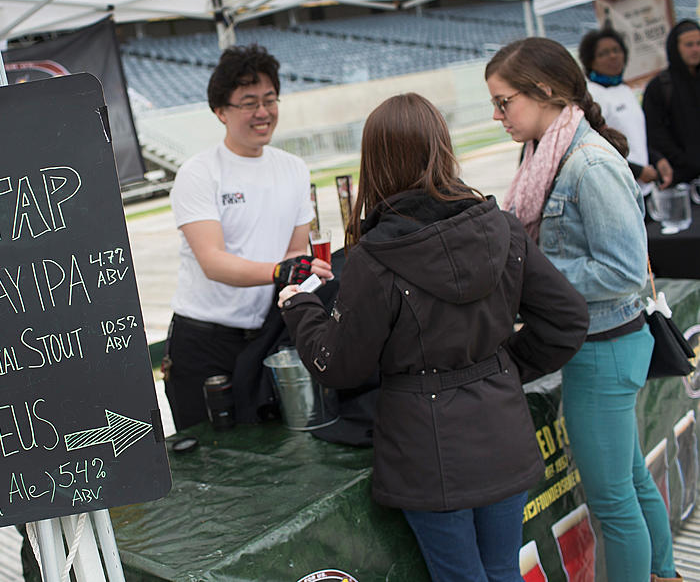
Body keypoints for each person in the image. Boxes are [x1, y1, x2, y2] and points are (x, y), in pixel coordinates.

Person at [277, 92, 588, 582]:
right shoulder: (499, 228)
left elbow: (338, 365)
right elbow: (567, 319)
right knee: (501, 571)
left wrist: (298, 306)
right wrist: (501, 368)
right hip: (497, 432)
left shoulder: (377, 258)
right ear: (442, 148)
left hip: (429, 449)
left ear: (374, 162)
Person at [485, 37, 680, 582]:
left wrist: (535, 280)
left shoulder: (588, 163)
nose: (498, 115)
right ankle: (665, 572)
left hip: (606, 348)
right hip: (597, 345)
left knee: (613, 502)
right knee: (631, 482)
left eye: (505, 102)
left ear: (544, 91)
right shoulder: (548, 154)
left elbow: (622, 271)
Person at [165, 43, 332, 431]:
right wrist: (282, 271)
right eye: (249, 102)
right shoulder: (199, 173)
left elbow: (294, 252)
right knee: (212, 462)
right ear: (220, 111)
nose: (263, 112)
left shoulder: (293, 169)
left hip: (269, 336)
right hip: (204, 343)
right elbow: (213, 261)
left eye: (270, 99)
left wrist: (299, 273)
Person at [579, 26, 673, 188]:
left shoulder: (624, 89)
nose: (613, 56)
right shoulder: (590, 94)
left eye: (617, 50)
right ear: (590, 61)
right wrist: (637, 171)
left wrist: (657, 159)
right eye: (603, 53)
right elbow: (595, 144)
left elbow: (636, 136)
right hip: (617, 185)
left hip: (641, 188)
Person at [643, 19, 700, 184]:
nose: (695, 49)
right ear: (676, 47)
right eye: (689, 45)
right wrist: (685, 161)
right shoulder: (659, 86)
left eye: (698, 43)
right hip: (679, 180)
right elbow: (654, 133)